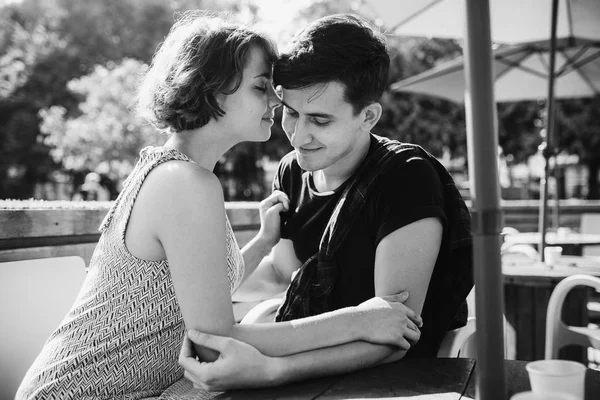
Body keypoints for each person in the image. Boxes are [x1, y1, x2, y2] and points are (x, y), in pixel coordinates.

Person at [16, 12, 422, 400]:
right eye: (261, 88)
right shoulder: (185, 183)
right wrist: (360, 319)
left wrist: (264, 242)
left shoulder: (178, 172)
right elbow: (216, 341)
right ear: (212, 88)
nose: (277, 104)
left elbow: (187, 292)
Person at [180, 13, 474, 391]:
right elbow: (286, 274)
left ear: (367, 116)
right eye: (291, 112)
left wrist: (271, 369)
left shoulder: (406, 176)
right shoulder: (292, 171)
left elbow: (396, 337)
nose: (299, 136)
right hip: (301, 375)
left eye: (320, 120)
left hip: (389, 385)